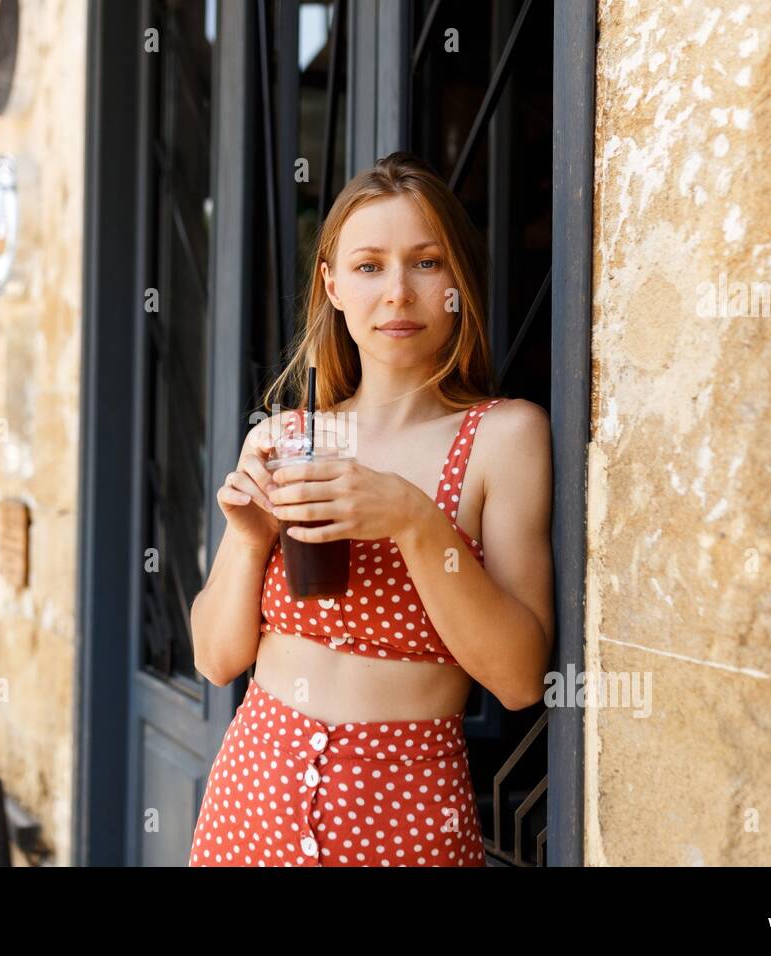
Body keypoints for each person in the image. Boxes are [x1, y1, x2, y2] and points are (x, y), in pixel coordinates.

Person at [188, 152, 555, 866]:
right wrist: (246, 539)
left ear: (458, 283)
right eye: (368, 266)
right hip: (251, 797)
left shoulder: (503, 438)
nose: (397, 293)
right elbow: (215, 658)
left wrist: (414, 519)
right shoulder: (288, 438)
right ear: (331, 286)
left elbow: (517, 681)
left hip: (403, 816)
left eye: (426, 263)